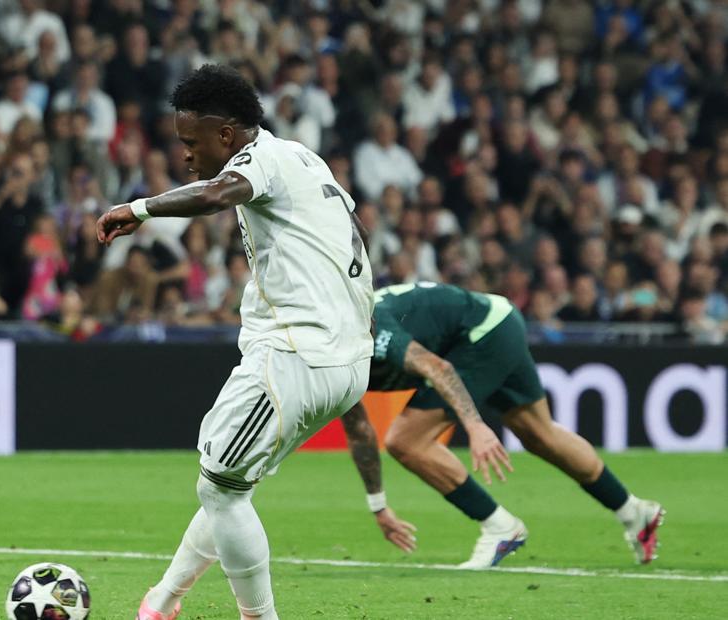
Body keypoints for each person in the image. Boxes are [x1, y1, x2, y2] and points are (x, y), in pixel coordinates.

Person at [98, 64, 375, 620]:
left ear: (226, 135)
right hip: (345, 361)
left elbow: (217, 194)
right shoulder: (304, 158)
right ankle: (161, 602)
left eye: (191, 142)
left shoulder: (259, 159)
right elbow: (357, 239)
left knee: (220, 490)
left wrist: (139, 208)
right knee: (228, 484)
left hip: (297, 355)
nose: (185, 155)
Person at [342, 282, 664, 568]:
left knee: (405, 441)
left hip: (482, 332)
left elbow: (437, 368)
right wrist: (379, 506)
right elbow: (359, 431)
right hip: (498, 321)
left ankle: (500, 527)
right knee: (539, 434)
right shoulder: (334, 358)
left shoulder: (368, 328)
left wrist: (475, 425)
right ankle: (634, 512)